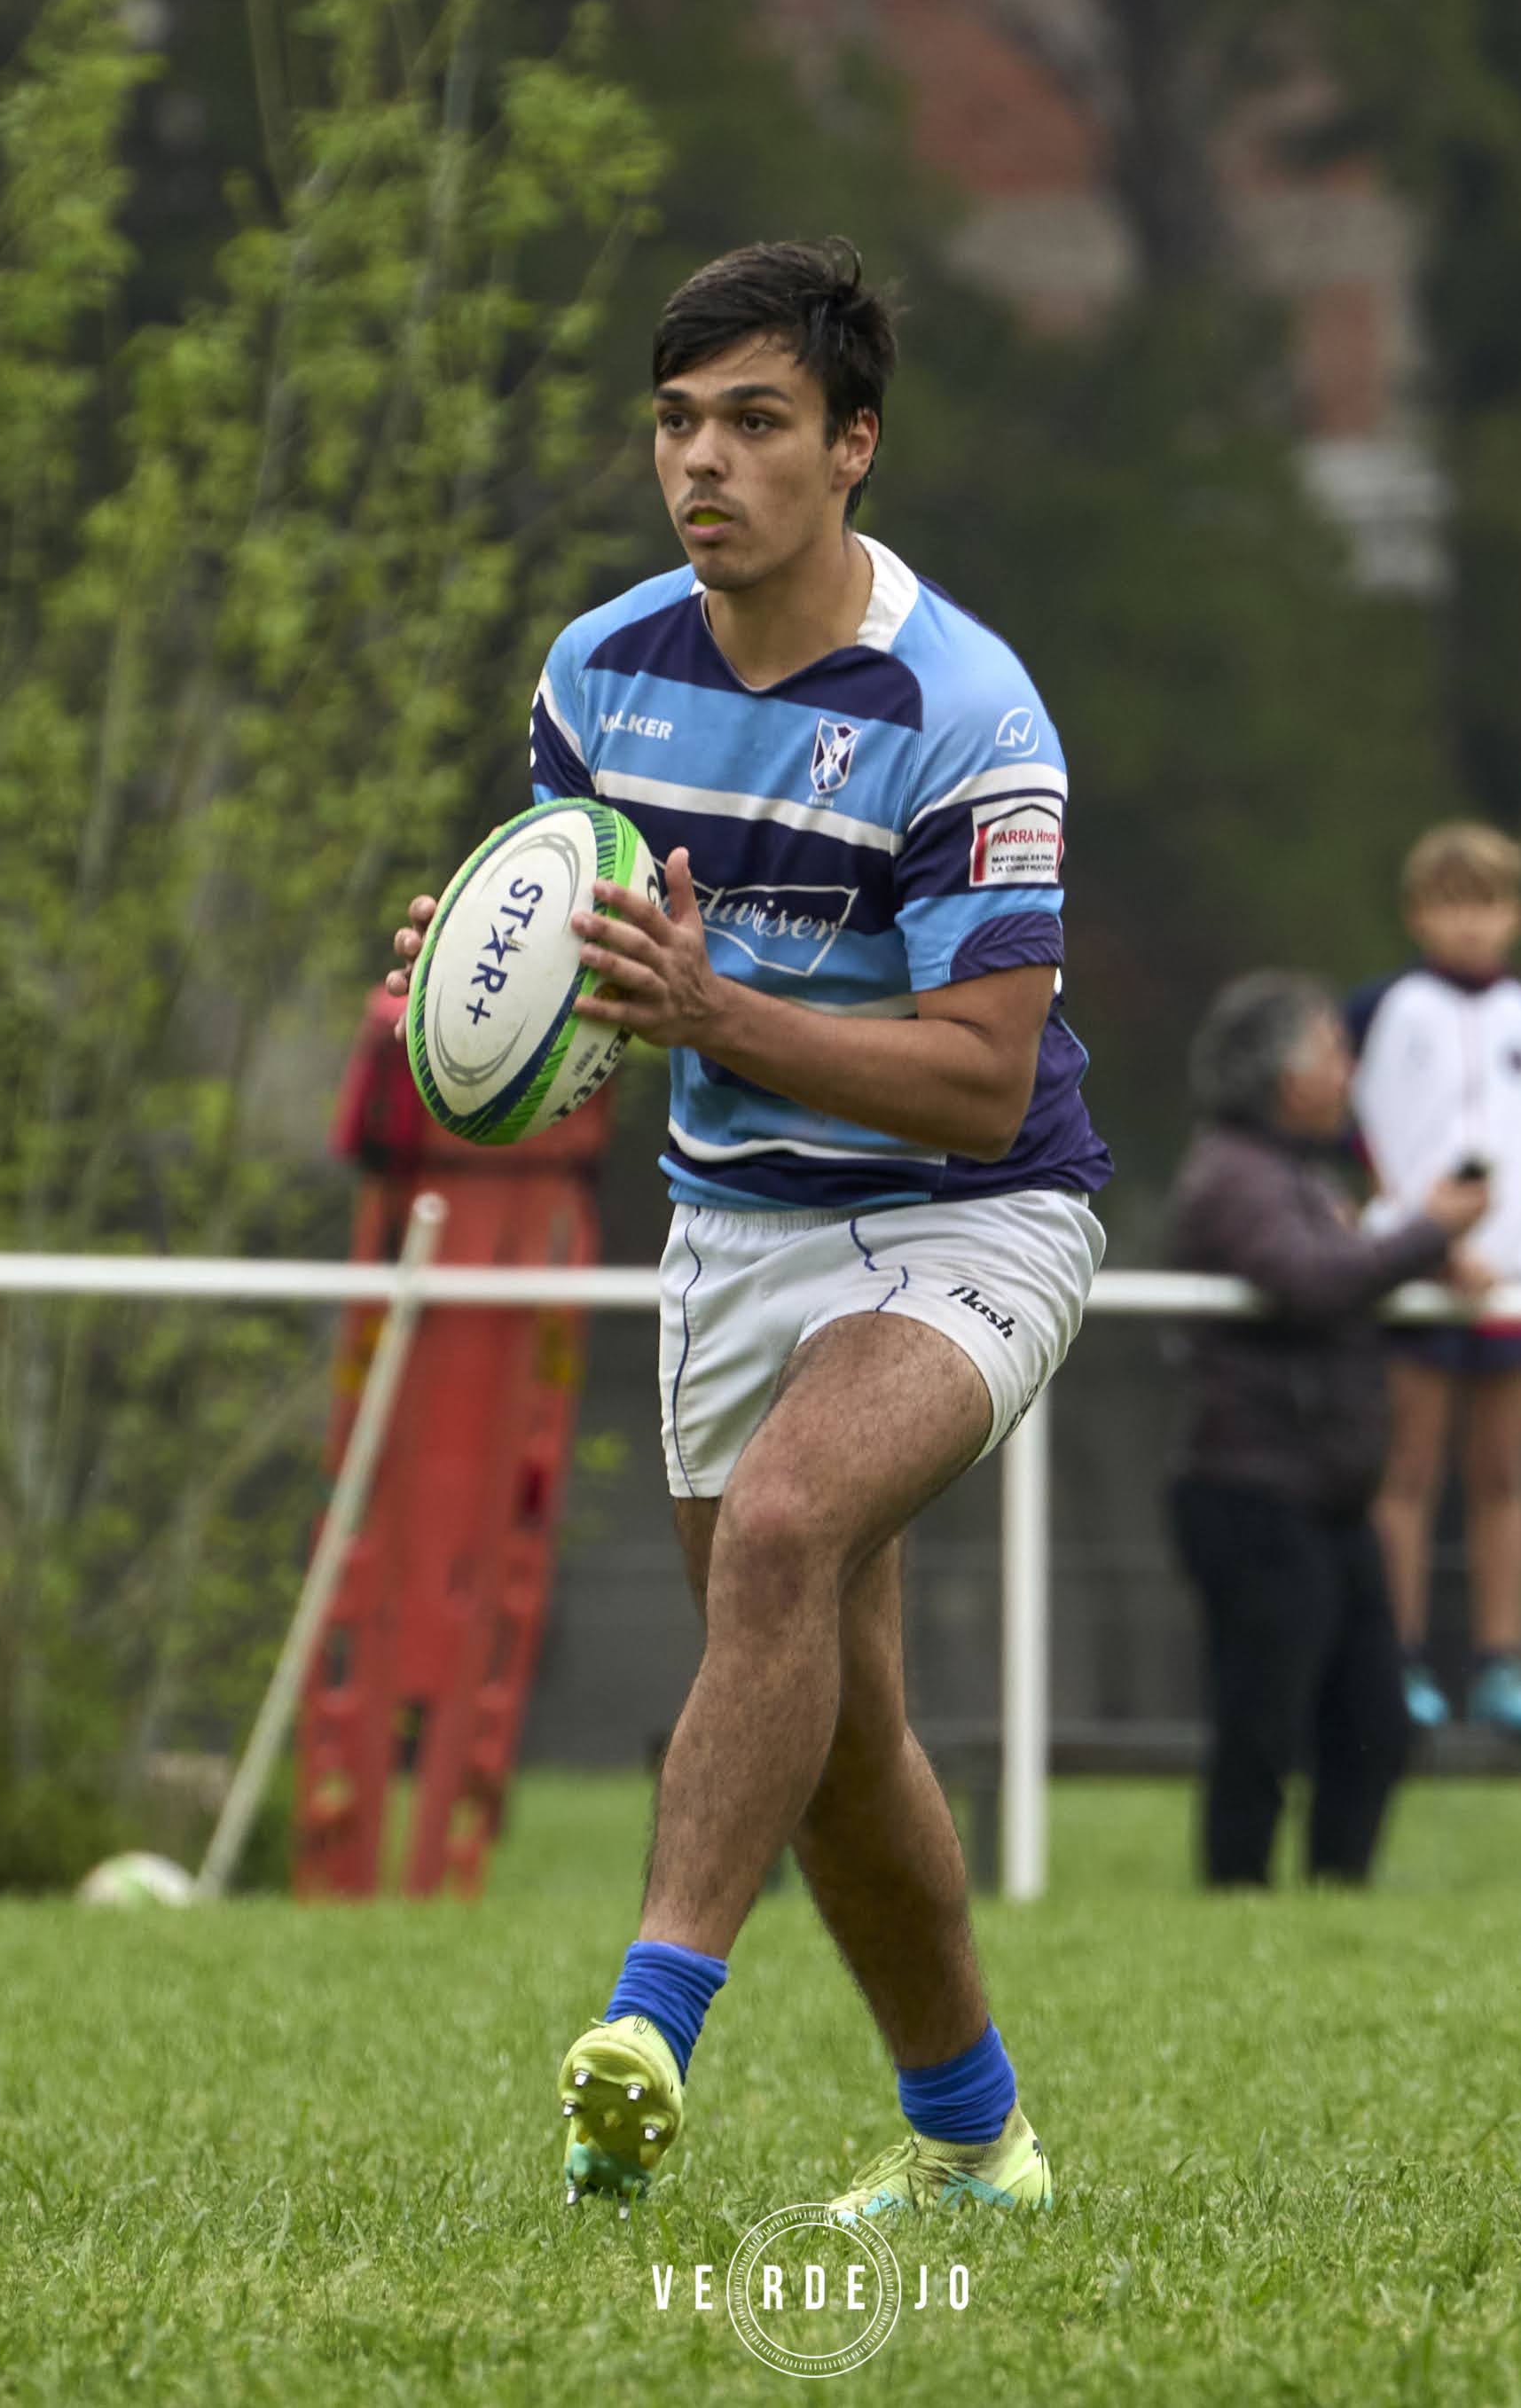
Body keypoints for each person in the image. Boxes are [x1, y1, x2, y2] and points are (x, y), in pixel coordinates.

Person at [388, 242, 1107, 2221]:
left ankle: (645, 2017)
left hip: (974, 1214)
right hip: (737, 1230)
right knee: (840, 1727)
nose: (702, 462)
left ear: (851, 446)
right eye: (676, 421)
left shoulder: (965, 707)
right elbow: (592, 976)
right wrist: (490, 1000)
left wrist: (720, 1016)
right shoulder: (594, 671)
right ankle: (975, 2141)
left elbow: (977, 1070)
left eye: (755, 423)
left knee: (782, 1531)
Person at [1166, 973, 1489, 1888]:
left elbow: (1341, 1293)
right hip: (1252, 1491)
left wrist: (1428, 1283)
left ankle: (1332, 1902)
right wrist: (1427, 1233)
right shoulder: (1233, 1175)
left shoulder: (1296, 1176)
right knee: (1261, 1718)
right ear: (1280, 1073)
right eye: (1331, 1052)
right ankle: (1236, 1904)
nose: (1348, 1071)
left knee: (1372, 1720)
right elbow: (1307, 1283)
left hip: (1325, 1499)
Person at [1347, 823, 1521, 1739]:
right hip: (1414, 1268)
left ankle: (1499, 1664)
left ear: (1515, 913)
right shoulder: (1383, 1006)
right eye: (1449, 902)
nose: (1469, 923)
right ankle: (1401, 1659)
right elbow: (1324, 1092)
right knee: (1409, 1466)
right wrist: (1396, 1208)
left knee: (1500, 1469)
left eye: (1487, 902)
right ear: (1417, 911)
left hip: (1511, 1270)